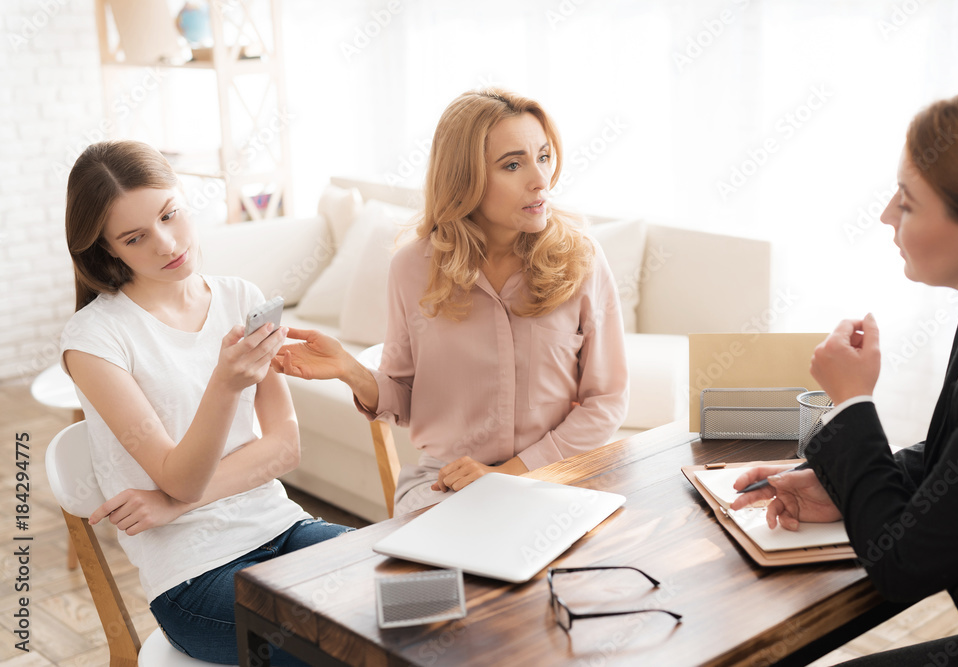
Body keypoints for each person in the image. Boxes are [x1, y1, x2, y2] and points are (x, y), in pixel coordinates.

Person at [731, 84, 958, 665]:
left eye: (906, 202)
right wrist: (836, 479)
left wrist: (852, 403)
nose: (884, 215)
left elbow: (903, 569)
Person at [60, 140, 352, 665]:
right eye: (135, 237)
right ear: (107, 251)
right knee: (342, 642)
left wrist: (171, 504)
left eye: (170, 214)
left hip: (284, 530)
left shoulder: (240, 298)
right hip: (195, 579)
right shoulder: (93, 341)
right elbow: (181, 476)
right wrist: (225, 384)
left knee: (418, 591)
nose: (168, 243)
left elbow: (284, 449)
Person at [273, 88, 629, 514]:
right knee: (444, 574)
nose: (540, 179)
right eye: (513, 164)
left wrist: (511, 473)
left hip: (556, 477)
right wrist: (350, 370)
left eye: (544, 156)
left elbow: (605, 400)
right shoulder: (412, 268)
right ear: (465, 178)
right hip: (447, 483)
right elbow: (406, 395)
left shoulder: (582, 260)